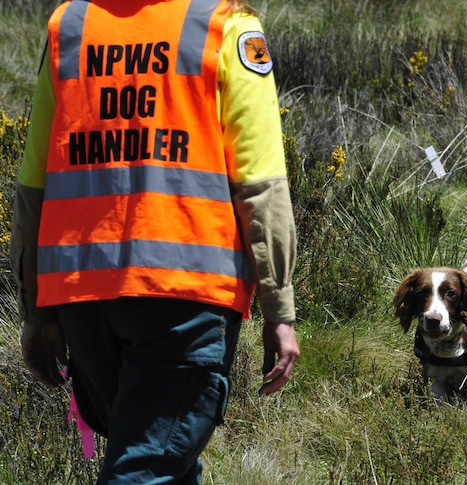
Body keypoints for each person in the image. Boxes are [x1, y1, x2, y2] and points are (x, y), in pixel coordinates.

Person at [10, 0, 299, 482]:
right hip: (185, 296)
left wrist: (35, 311)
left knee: (166, 458)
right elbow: (261, 186)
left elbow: (32, 186)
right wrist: (280, 309)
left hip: (84, 299)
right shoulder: (225, 26)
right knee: (147, 464)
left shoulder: (71, 26)